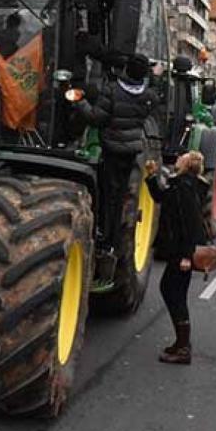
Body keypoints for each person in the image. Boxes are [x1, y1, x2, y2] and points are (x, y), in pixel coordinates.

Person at [76, 54, 157, 274]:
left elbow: (96, 118)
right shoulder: (148, 96)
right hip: (130, 152)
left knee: (107, 195)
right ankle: (112, 242)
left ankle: (103, 237)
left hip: (111, 149)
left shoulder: (112, 90)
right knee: (119, 196)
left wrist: (78, 101)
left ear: (126, 70)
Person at [145, 151, 208, 365]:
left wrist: (186, 256)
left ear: (186, 164)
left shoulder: (185, 187)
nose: (178, 158)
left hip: (181, 250)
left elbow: (191, 224)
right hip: (177, 249)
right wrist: (152, 177)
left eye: (182, 157)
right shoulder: (182, 184)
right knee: (171, 290)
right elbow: (161, 197)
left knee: (175, 294)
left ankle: (183, 348)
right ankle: (182, 343)